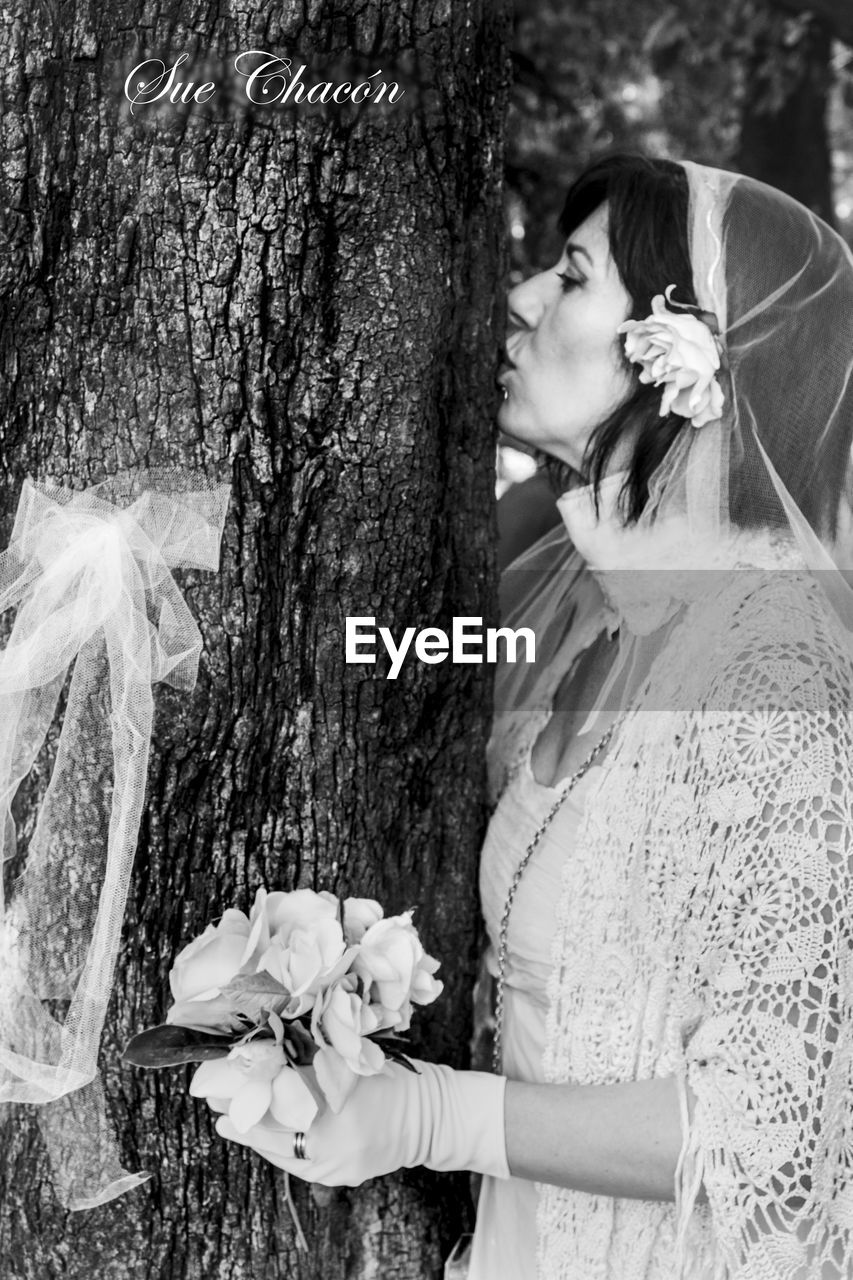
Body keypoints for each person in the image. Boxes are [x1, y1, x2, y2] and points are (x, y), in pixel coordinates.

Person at [209, 155, 853, 1279]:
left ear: (681, 359)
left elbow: (775, 1127)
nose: (517, 300)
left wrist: (436, 1119)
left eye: (571, 275)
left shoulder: (775, 671)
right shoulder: (596, 617)